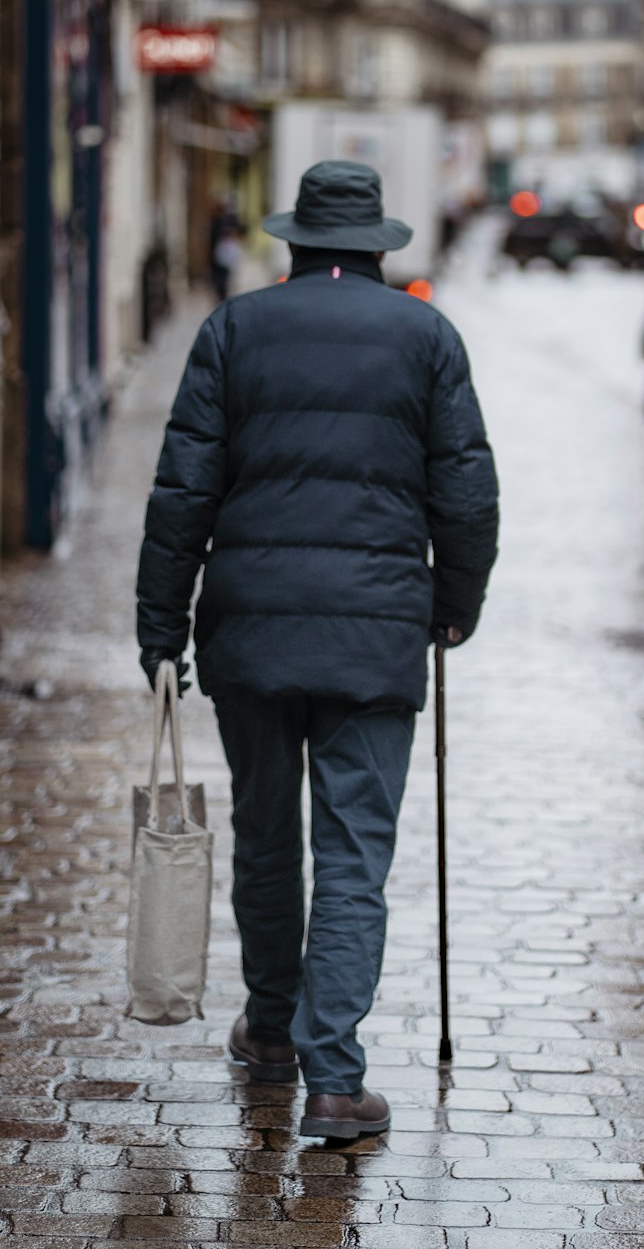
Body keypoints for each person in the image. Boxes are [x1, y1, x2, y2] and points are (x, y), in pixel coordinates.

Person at [136, 160, 500, 1140]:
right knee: (352, 852)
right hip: (376, 632)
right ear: (377, 247)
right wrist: (453, 607)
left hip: (250, 630)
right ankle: (334, 1080)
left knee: (266, 834)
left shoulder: (234, 330)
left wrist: (159, 625)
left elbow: (183, 492)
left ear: (294, 241)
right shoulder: (426, 336)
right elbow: (466, 493)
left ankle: (267, 1027)